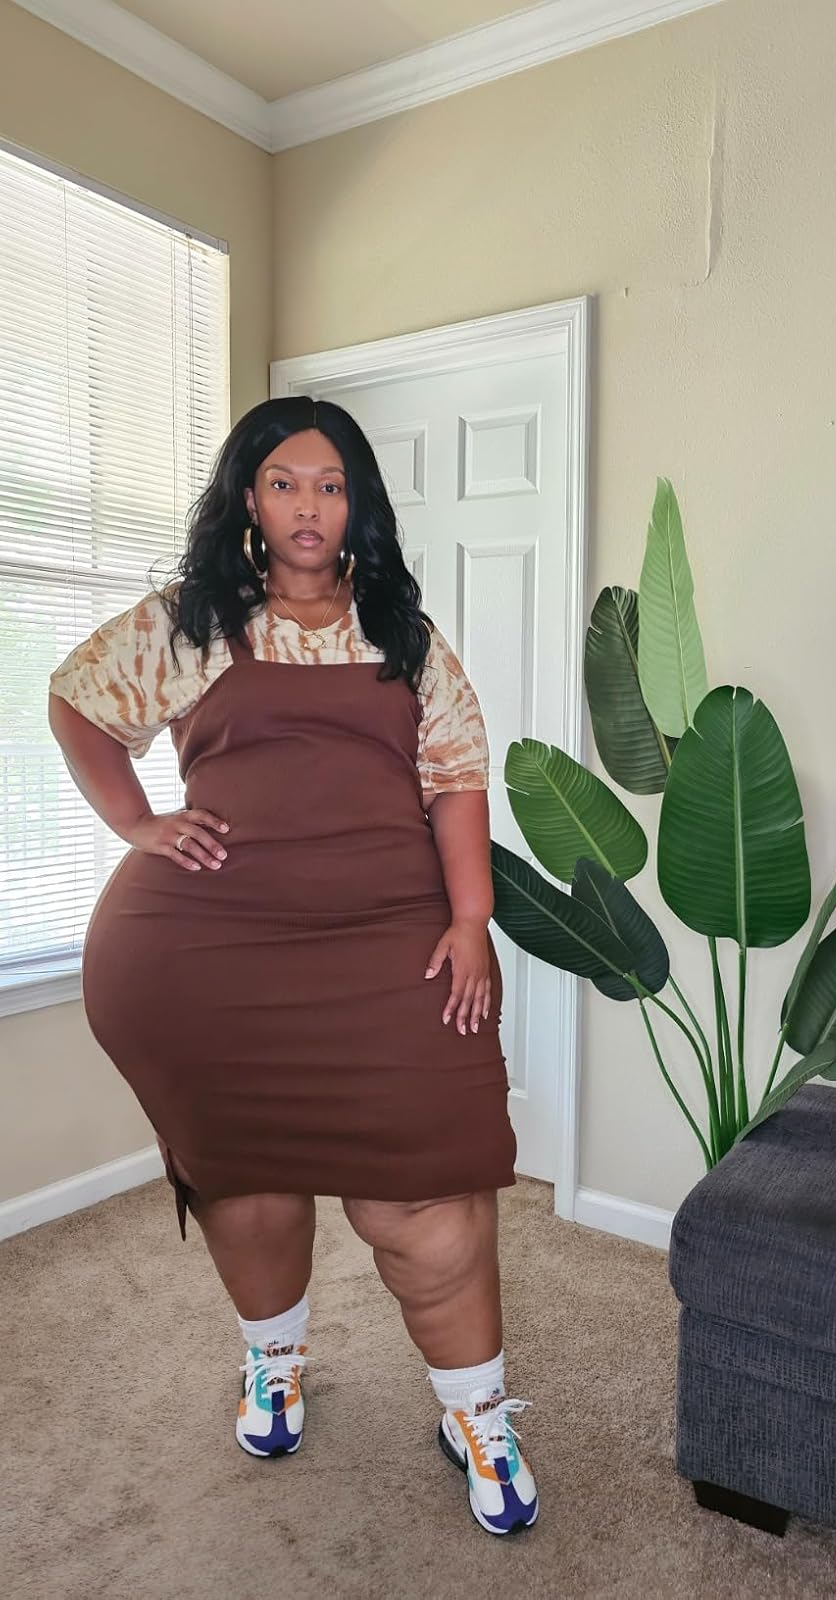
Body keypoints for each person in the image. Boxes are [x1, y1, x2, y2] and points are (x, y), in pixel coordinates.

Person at [46, 395, 538, 1536]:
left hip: (389, 949)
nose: (308, 505)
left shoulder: (400, 634)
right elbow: (78, 704)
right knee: (246, 1179)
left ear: (356, 501)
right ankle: (274, 1361)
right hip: (212, 959)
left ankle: (477, 1412)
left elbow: (458, 778)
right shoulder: (194, 620)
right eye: (284, 482)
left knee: (432, 1197)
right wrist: (138, 824)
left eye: (329, 483)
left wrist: (472, 922)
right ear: (250, 501)